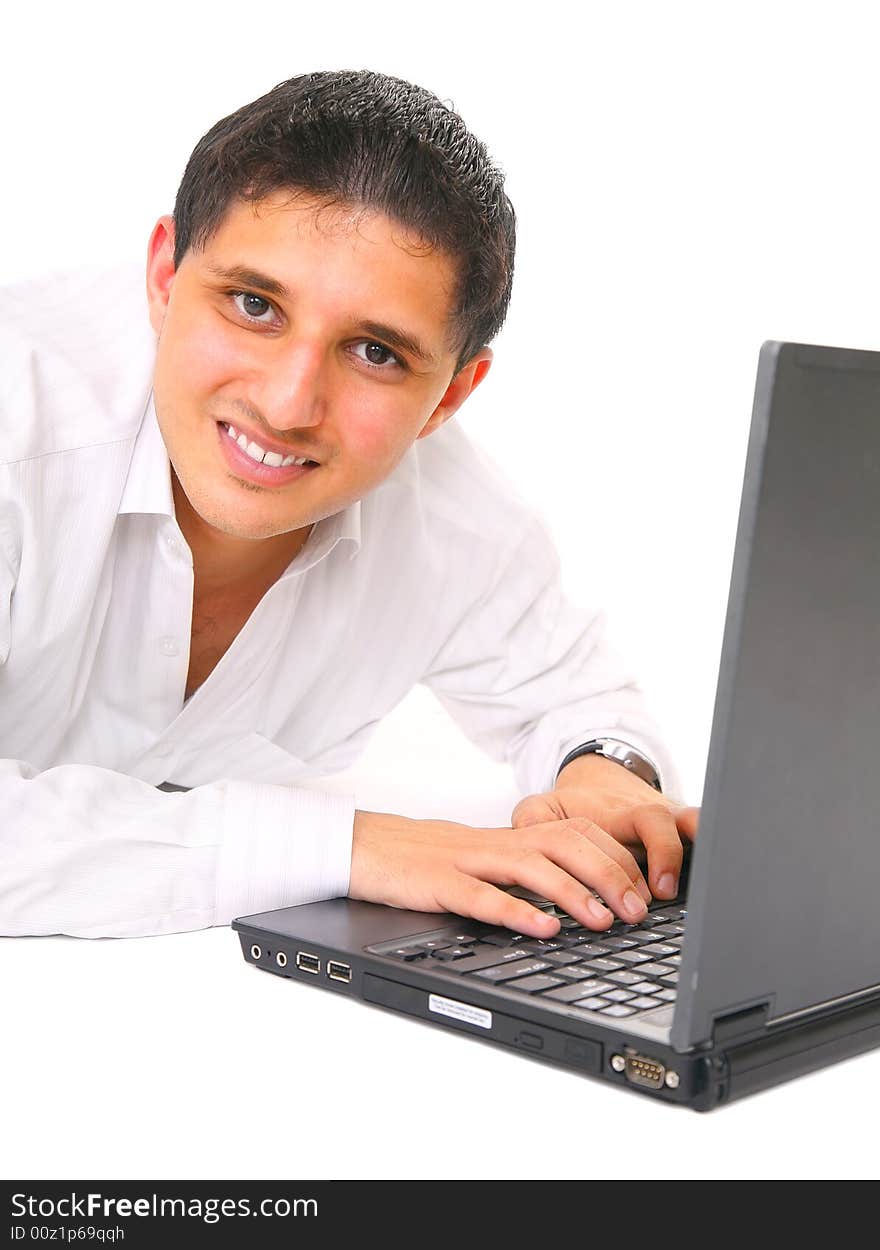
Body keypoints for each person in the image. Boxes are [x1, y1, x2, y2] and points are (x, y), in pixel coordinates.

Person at [0, 69, 698, 940]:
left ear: (450, 396)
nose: (289, 405)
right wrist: (357, 849)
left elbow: (577, 697)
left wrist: (606, 774)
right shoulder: (17, 418)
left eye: (374, 352)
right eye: (254, 305)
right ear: (164, 276)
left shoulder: (452, 519)